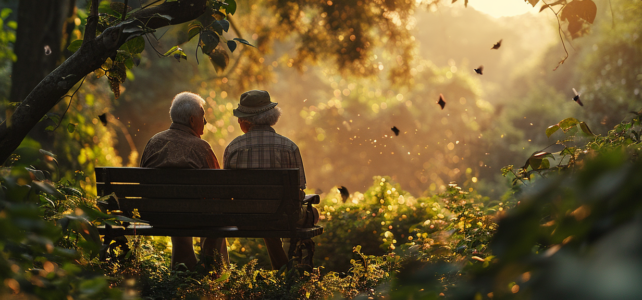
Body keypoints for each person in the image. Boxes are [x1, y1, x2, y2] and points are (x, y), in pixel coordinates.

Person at [140, 91, 228, 271]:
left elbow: (143, 183)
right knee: (212, 214)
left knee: (178, 210)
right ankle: (215, 273)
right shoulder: (201, 148)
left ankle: (182, 272)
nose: (205, 122)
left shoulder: (153, 142)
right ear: (191, 120)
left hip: (156, 215)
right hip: (193, 216)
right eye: (203, 116)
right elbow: (218, 189)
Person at [223, 90, 306, 270]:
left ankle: (283, 270)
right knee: (308, 213)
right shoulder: (289, 147)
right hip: (282, 219)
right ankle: (292, 272)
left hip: (245, 219)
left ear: (247, 120)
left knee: (266, 212)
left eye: (241, 117)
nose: (238, 120)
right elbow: (299, 188)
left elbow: (227, 190)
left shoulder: (233, 148)